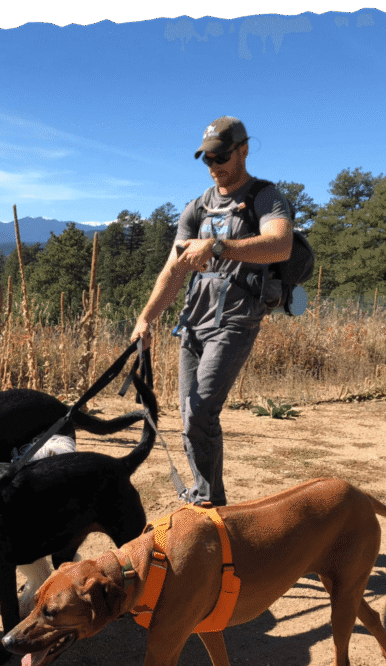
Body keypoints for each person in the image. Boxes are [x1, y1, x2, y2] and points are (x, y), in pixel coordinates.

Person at [130, 116, 294, 508]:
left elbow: (280, 245)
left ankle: (209, 505)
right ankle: (208, 499)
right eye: (206, 159)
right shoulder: (197, 207)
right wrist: (146, 318)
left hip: (236, 319)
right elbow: (173, 270)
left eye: (221, 156)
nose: (214, 166)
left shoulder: (266, 197)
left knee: (201, 411)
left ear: (243, 150)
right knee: (190, 416)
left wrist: (219, 246)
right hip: (193, 322)